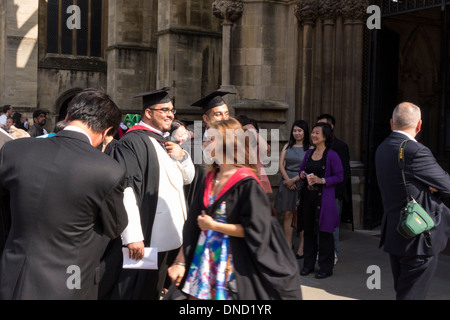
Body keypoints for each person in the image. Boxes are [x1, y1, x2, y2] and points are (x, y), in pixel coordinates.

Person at [0, 88, 129, 300]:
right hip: (71, 283)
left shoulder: (14, 151)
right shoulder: (108, 170)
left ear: (68, 116)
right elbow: (115, 226)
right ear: (106, 132)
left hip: (14, 276)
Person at [170, 118, 302, 300]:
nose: (205, 143)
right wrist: (180, 261)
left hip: (232, 263)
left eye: (210, 139)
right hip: (204, 258)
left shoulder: (246, 184)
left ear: (226, 142)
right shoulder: (210, 177)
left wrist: (215, 226)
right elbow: (193, 226)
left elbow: (257, 231)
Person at [102, 87, 195, 300]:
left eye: (172, 110)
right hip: (146, 235)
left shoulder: (165, 141)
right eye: (164, 110)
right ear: (148, 113)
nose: (170, 115)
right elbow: (126, 189)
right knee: (137, 290)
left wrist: (182, 156)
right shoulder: (132, 142)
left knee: (154, 290)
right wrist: (133, 236)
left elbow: (187, 179)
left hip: (169, 235)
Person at [375, 102, 450, 300]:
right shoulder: (416, 151)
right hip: (418, 236)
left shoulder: (382, 148)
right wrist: (433, 189)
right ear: (419, 126)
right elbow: (447, 185)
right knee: (412, 294)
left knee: (404, 290)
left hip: (395, 231)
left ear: (392, 123)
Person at [298, 122, 343, 279]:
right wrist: (303, 174)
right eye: (313, 132)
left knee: (325, 233)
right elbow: (302, 169)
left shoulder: (332, 155)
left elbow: (339, 176)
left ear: (325, 136)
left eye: (317, 133)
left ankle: (325, 267)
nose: (313, 135)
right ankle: (308, 265)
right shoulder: (309, 153)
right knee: (309, 232)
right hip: (308, 198)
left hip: (325, 199)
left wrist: (321, 180)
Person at [317, 114, 352, 264]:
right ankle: (321, 252)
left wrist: (336, 193)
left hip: (333, 192)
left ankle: (334, 253)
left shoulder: (340, 146)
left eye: (322, 126)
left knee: (333, 225)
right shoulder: (315, 147)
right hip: (318, 192)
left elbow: (344, 173)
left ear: (331, 127)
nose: (317, 130)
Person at [274, 120, 310, 258]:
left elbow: (308, 168)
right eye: (295, 130)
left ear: (305, 132)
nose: (297, 133)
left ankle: (302, 245)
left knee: (301, 215)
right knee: (288, 214)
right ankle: (288, 244)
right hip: (287, 182)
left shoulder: (310, 149)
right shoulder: (287, 146)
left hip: (301, 182)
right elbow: (281, 164)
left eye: (300, 130)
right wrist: (287, 180)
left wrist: (294, 180)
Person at [236, 115, 273, 194]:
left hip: (258, 184)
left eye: (249, 132)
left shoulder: (258, 148)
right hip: (239, 183)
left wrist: (254, 131)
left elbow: (266, 149)